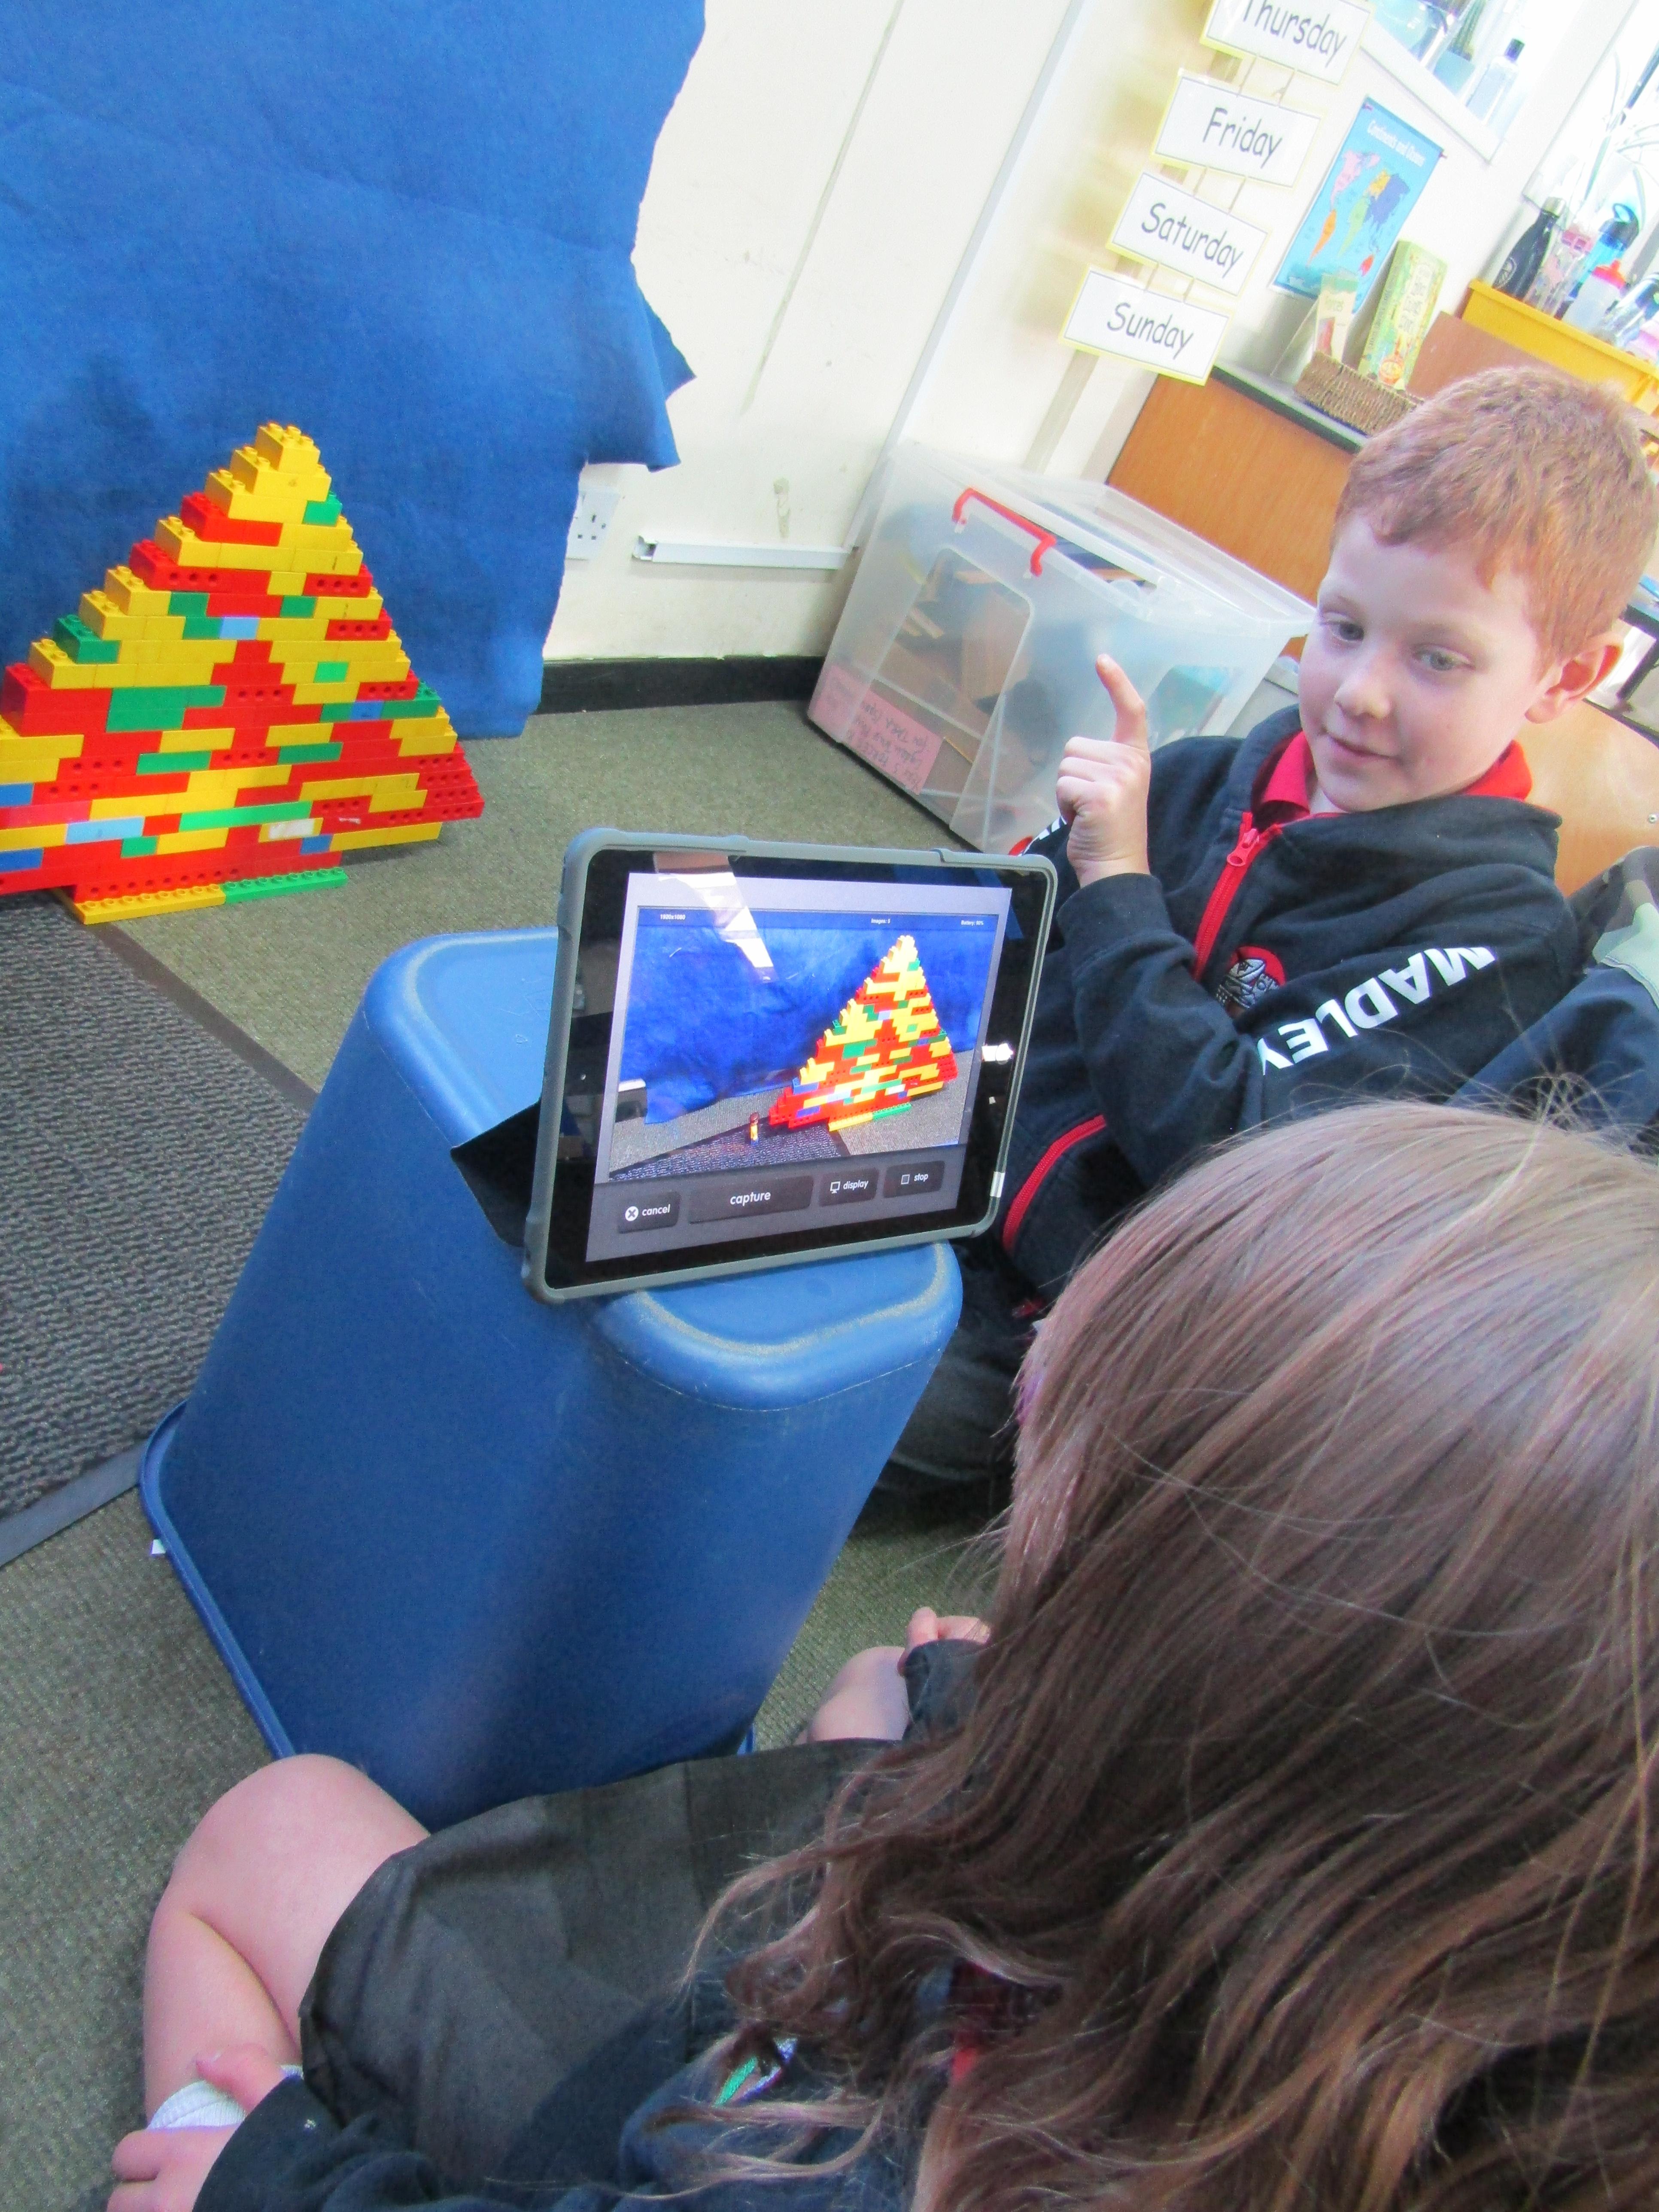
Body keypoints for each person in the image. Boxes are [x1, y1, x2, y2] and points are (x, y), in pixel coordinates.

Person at [112, 1101, 1659, 2210]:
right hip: (938, 2018)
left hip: (723, 2114)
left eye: (1055, 1523)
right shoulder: (1472, 2014)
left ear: (1167, 1728)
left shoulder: (879, 2175)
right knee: (880, 1695)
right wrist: (979, 1709)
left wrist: (273, 2181)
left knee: (269, 1833)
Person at [883, 364, 1659, 1497]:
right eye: (1343, 627)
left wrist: (1118, 886)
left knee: (789, 1413)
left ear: (1563, 677)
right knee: (670, 1203)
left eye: (1438, 658)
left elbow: (1228, 1151)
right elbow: (991, 950)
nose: (1360, 693)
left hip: (1079, 1316)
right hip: (942, 1161)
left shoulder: (1497, 946)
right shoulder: (1199, 777)